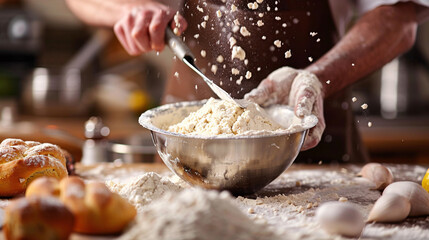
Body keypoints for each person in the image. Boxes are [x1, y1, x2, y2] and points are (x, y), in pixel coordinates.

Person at [65, 0, 429, 163]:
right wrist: (127, 8)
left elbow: (402, 13)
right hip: (193, 161)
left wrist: (315, 78)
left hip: (318, 153)